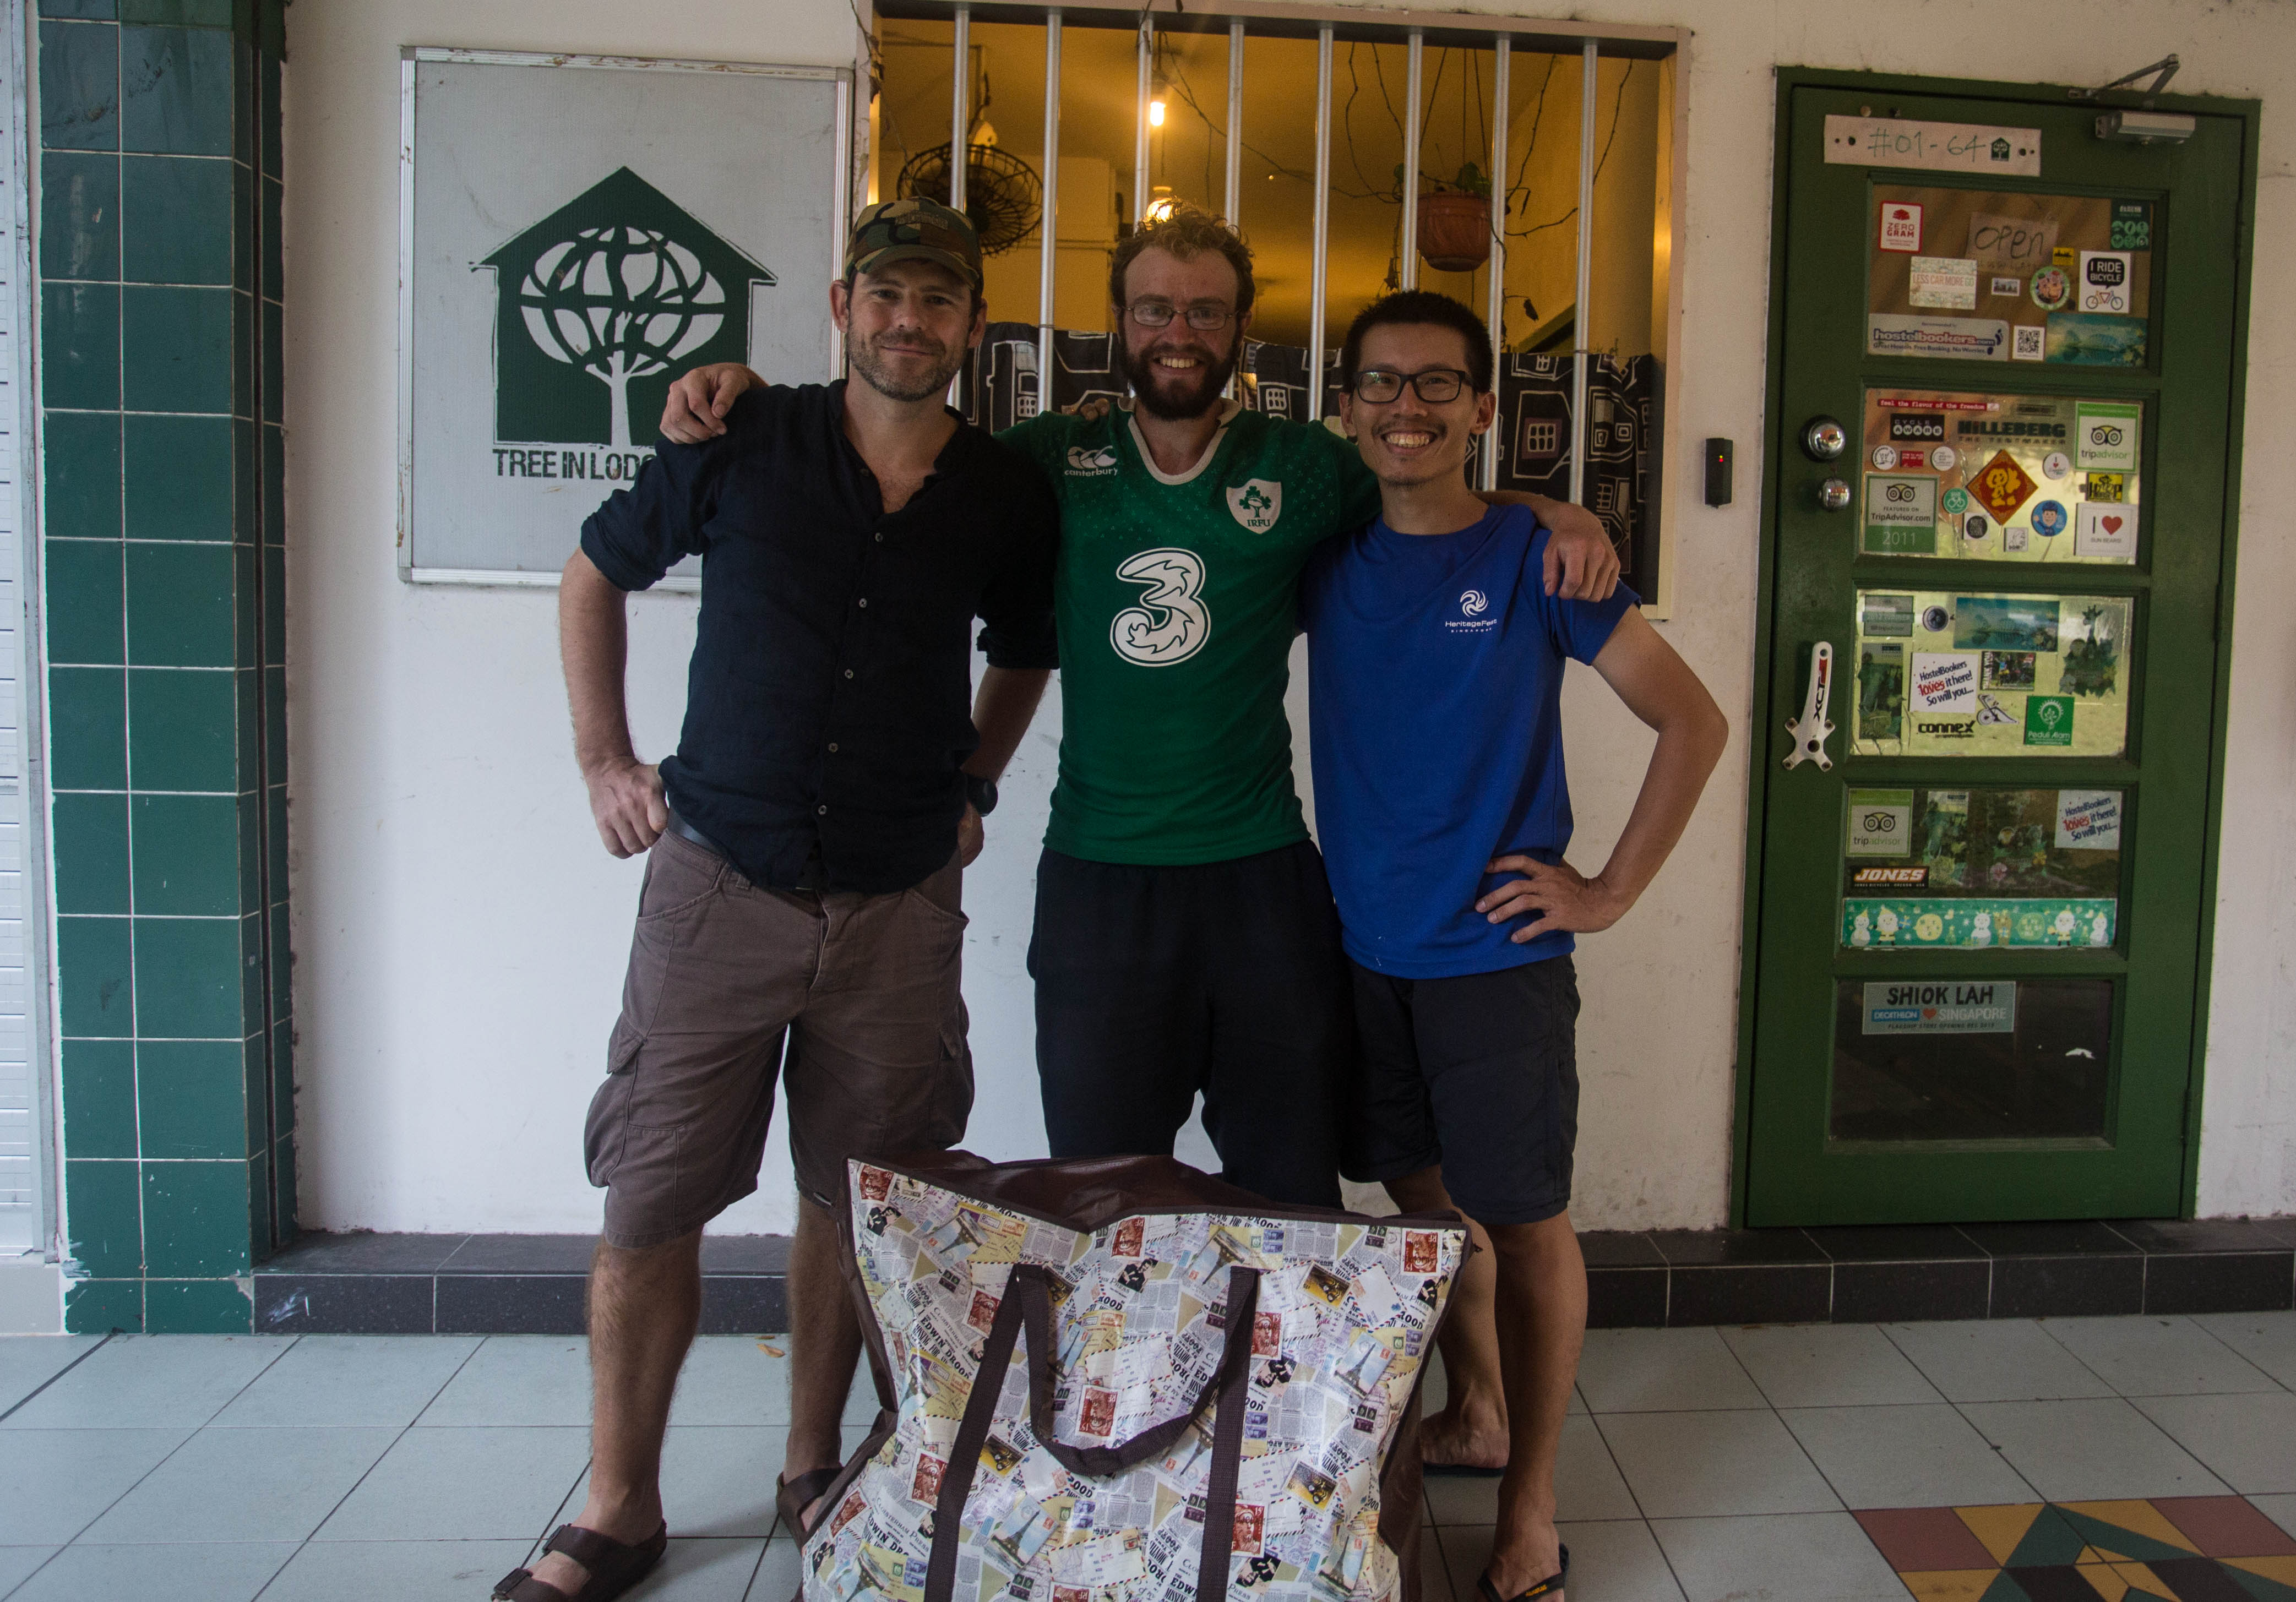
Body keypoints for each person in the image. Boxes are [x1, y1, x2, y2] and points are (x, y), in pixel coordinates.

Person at [661, 207, 1620, 1212]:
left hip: (1260, 881)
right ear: (1118, 321)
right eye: (1155, 307)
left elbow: (1431, 489)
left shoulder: (1305, 467)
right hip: (1100, 886)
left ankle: (1269, 1376)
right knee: (1105, 1190)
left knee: (1287, 1188)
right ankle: (1128, 1379)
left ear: (1241, 329)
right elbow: (895, 441)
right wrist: (766, 402)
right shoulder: (1043, 460)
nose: (1180, 331)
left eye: (1206, 311)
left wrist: (1557, 510)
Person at [498, 199, 1058, 1602]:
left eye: (938, 302)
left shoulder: (1003, 492)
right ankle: (618, 1508)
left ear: (970, 329)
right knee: (650, 1196)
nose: (908, 323)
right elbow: (593, 571)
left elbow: (1027, 654)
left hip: (896, 902)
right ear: (840, 303)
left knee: (854, 1197)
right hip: (719, 882)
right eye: (886, 295)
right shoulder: (737, 436)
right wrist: (601, 761)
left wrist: (970, 790)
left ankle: (814, 1463)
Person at [1301, 291, 1727, 1602]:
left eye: (1437, 385)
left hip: (1496, 959)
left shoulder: (1545, 564)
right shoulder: (1319, 552)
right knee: (1419, 1200)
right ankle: (1475, 1407)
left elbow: (1694, 725)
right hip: (1361, 951)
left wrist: (1605, 891)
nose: (1406, 406)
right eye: (1380, 384)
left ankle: (1531, 1499)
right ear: (1348, 408)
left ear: (1484, 409)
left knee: (1527, 1224)